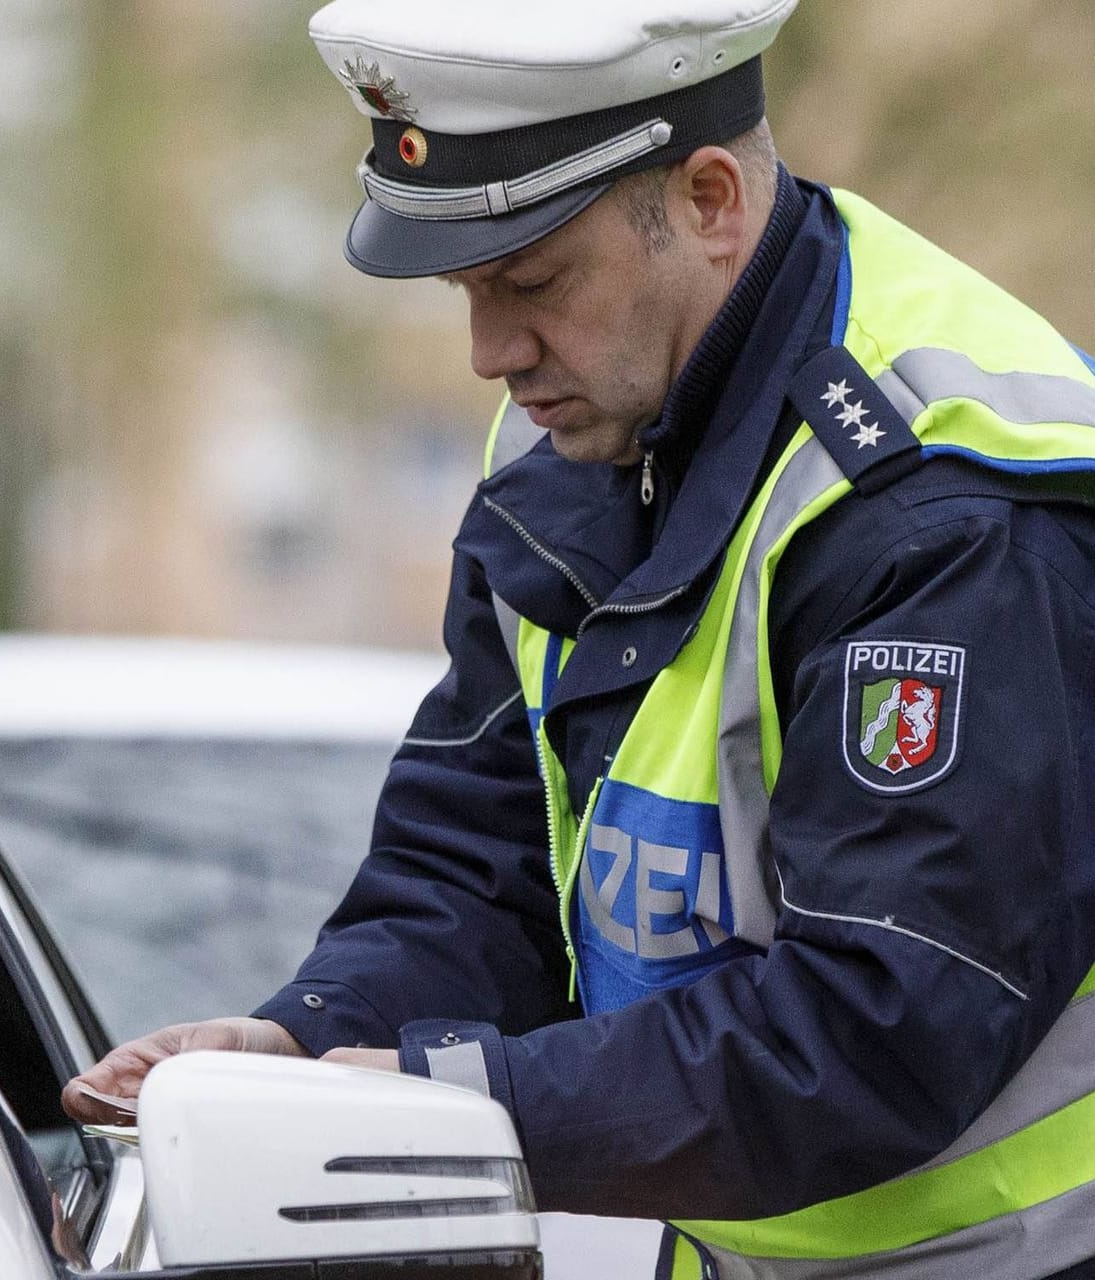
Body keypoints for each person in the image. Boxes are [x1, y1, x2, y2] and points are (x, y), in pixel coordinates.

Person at [62, 2, 1095, 1277]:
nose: (490, 354)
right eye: (463, 290)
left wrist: (453, 1096)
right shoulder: (581, 429)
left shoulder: (940, 508)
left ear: (709, 200)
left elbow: (882, 1022)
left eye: (530, 281)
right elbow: (475, 870)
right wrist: (305, 1046)